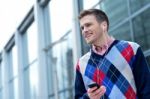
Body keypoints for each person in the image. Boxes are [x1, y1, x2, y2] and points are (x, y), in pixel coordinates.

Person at [75, 8, 150, 99]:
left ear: (104, 25)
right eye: (82, 28)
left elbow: (147, 90)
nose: (84, 31)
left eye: (88, 25)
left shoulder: (131, 49)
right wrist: (88, 97)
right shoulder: (81, 63)